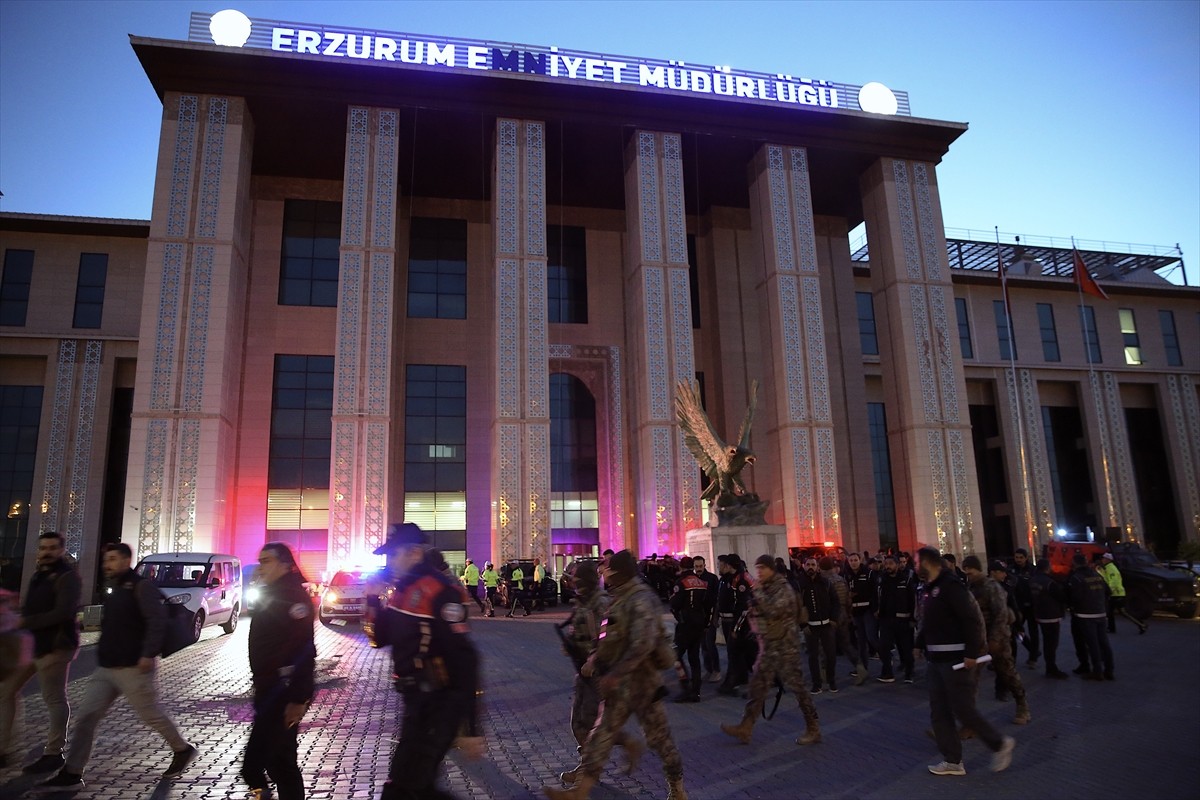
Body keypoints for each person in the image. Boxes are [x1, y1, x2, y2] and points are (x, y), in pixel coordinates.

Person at [38, 543, 197, 791]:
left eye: (112, 559)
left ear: (125, 561)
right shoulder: (113, 587)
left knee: (151, 715)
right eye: (105, 560)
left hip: (134, 666)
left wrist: (148, 654)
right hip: (107, 667)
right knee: (86, 718)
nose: (107, 564)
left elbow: (157, 621)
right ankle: (72, 772)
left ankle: (182, 749)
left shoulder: (141, 586)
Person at [545, 550, 685, 800]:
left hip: (642, 685)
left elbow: (642, 645)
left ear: (618, 572)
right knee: (600, 735)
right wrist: (596, 659)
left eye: (607, 568)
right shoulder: (618, 598)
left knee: (660, 740)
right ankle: (581, 791)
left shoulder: (640, 599)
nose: (603, 573)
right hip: (619, 686)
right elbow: (607, 638)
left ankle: (677, 789)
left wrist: (615, 674)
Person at [375, 523, 483, 800]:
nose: (390, 562)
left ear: (413, 553)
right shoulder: (402, 589)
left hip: (440, 703)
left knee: (407, 786)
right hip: (415, 701)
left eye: (393, 555)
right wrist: (373, 600)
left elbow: (464, 658)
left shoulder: (439, 591)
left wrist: (470, 727)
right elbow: (380, 637)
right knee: (413, 785)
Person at [915, 547, 1015, 777]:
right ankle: (952, 761)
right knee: (939, 711)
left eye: (917, 561)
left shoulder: (951, 587)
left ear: (929, 563)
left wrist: (972, 652)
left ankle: (1000, 744)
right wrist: (919, 643)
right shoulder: (931, 588)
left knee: (962, 709)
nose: (914, 565)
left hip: (954, 659)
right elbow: (930, 621)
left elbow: (970, 619)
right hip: (935, 659)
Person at [240, 542, 316, 800]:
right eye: (260, 561)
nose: (261, 567)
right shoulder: (271, 592)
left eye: (267, 561)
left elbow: (306, 650)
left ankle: (263, 795)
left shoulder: (294, 597)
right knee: (277, 762)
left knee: (261, 765)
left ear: (285, 565)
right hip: (267, 688)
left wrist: (298, 698)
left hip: (283, 691)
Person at [720, 554, 821, 748]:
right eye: (757, 568)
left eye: (763, 568)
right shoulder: (764, 588)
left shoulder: (782, 588)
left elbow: (775, 609)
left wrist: (757, 596)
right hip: (769, 646)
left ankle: (813, 727)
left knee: (798, 688)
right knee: (757, 685)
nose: (759, 572)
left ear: (772, 569)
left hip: (786, 646)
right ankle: (746, 727)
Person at [1, 531, 80, 774]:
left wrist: (26, 623)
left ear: (61, 550)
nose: (46, 552)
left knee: (54, 699)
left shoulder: (67, 577)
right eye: (43, 547)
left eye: (52, 548)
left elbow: (63, 612)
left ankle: (54, 753)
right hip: (35, 645)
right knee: (5, 691)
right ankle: (5, 750)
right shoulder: (39, 575)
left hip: (56, 646)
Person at [558, 562, 643, 783]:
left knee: (590, 726)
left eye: (574, 579)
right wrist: (572, 645)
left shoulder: (601, 603)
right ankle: (594, 763)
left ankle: (589, 770)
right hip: (584, 673)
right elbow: (581, 632)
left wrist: (593, 660)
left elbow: (609, 639)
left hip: (601, 673)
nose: (570, 583)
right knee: (580, 725)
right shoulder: (583, 602)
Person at [962, 557, 1030, 725]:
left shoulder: (991, 587)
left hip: (998, 638)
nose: (968, 574)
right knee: (970, 678)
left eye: (970, 571)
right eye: (966, 571)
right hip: (978, 639)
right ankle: (969, 721)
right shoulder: (969, 588)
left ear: (978, 569)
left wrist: (994, 639)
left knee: (1007, 672)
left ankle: (1022, 705)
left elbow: (1000, 615)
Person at [668, 556, 711, 702]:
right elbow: (707, 604)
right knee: (694, 658)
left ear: (680, 567)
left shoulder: (681, 583)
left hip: (685, 624)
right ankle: (696, 691)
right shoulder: (702, 582)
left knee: (675, 656)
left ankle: (685, 686)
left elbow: (674, 603)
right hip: (699, 623)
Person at [1068, 554, 1114, 681]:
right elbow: (1108, 591)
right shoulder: (1097, 575)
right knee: (1104, 643)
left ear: (1075, 563)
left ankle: (1097, 671)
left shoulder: (1076, 578)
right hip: (1100, 612)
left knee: (1092, 644)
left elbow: (1075, 597)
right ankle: (1109, 670)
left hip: (1085, 615)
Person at [797, 556, 839, 693]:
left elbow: (835, 602)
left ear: (817, 567)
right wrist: (803, 626)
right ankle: (817, 684)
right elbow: (797, 606)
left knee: (831, 654)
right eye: (808, 564)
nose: (810, 567)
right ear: (804, 566)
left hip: (827, 625)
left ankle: (831, 680)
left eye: (813, 565)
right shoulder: (800, 584)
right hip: (810, 626)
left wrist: (834, 619)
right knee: (812, 656)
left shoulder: (826, 583)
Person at [822, 557, 866, 687]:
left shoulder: (823, 581)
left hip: (829, 616)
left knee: (825, 646)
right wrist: (848, 614)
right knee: (846, 644)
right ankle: (860, 668)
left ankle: (824, 674)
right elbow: (848, 600)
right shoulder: (841, 579)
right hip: (842, 615)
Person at [715, 554, 756, 696]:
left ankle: (732, 682)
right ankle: (740, 678)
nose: (718, 567)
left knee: (737, 653)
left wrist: (735, 628)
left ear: (728, 565)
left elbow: (742, 606)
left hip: (739, 623)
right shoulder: (729, 579)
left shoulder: (741, 580)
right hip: (731, 621)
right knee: (743, 652)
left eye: (720, 564)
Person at [875, 554, 916, 684]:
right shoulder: (882, 580)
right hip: (886, 619)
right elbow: (878, 597)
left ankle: (909, 673)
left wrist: (912, 618)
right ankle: (887, 672)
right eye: (886, 564)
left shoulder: (906, 580)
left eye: (891, 564)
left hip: (903, 620)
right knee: (883, 646)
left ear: (897, 565)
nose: (888, 566)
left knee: (906, 648)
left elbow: (912, 600)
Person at [1028, 560, 1069, 679]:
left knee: (1047, 642)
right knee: (1052, 643)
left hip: (1040, 615)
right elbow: (1061, 597)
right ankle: (1051, 667)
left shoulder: (1033, 580)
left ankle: (1050, 666)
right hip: (1052, 615)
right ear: (1047, 568)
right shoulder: (1050, 582)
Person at [844, 551, 878, 680]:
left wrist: (875, 608)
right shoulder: (847, 575)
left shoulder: (868, 573)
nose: (853, 563)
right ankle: (863, 667)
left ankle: (886, 658)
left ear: (860, 560)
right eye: (851, 560)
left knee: (871, 637)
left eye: (855, 560)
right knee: (861, 641)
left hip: (868, 610)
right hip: (856, 611)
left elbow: (874, 591)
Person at [1095, 553, 1146, 634]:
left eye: (1104, 558)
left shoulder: (1111, 568)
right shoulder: (1106, 568)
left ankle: (1141, 624)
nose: (1102, 560)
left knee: (1123, 612)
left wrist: (1109, 591)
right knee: (1110, 612)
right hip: (1114, 593)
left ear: (1108, 560)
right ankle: (1111, 628)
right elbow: (1104, 578)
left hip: (1116, 594)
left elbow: (1113, 582)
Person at [1008, 549, 1039, 666]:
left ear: (1026, 558)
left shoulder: (1033, 570)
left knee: (1033, 632)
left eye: (1021, 557)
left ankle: (1033, 657)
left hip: (1031, 606)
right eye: (1016, 557)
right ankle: (1031, 648)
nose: (1018, 560)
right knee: (1016, 630)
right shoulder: (1011, 570)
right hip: (1018, 606)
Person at [693, 556, 721, 684]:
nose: (698, 569)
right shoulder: (693, 580)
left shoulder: (712, 579)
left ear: (704, 565)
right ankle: (708, 669)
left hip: (710, 615)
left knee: (710, 643)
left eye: (700, 566)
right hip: (699, 617)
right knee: (703, 645)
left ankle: (716, 670)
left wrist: (715, 616)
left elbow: (716, 598)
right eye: (696, 566)